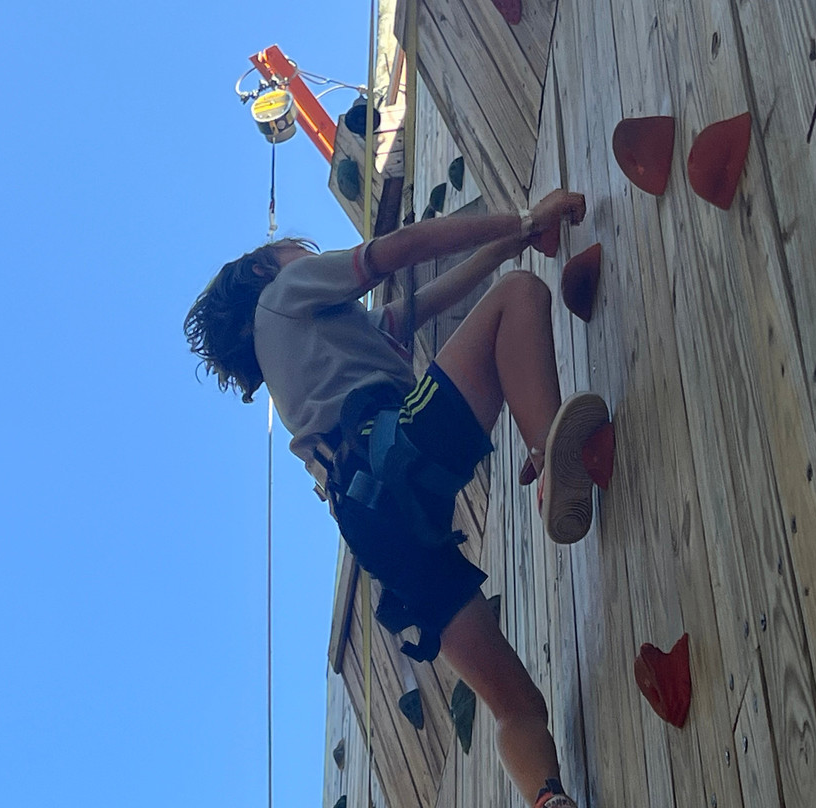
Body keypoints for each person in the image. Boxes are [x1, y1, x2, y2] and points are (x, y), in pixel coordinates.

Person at [184, 189, 609, 808]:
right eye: (295, 250)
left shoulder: (311, 353)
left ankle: (547, 799)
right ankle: (552, 461)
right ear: (262, 271)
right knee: (520, 295)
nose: (307, 255)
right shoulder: (282, 296)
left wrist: (516, 238)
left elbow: (432, 298)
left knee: (517, 707)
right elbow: (396, 251)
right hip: (394, 455)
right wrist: (523, 218)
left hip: (380, 530)